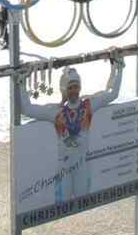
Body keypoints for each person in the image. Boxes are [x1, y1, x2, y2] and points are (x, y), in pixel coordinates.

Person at [16, 52, 123, 203]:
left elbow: (113, 94)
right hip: (64, 166)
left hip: (82, 164)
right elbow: (27, 109)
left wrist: (119, 68)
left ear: (80, 88)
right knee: (62, 204)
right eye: (70, 87)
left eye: (76, 87)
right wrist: (21, 83)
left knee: (83, 200)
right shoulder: (56, 111)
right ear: (64, 90)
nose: (73, 91)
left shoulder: (89, 105)